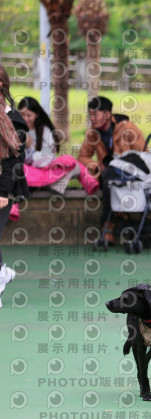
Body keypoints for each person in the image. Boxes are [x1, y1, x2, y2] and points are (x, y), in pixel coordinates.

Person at [77, 96, 145, 243]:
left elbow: (143, 156)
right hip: (107, 174)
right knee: (107, 176)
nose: (92, 118)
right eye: (90, 114)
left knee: (108, 177)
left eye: (95, 114)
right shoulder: (92, 133)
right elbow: (82, 157)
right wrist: (96, 165)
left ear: (107, 115)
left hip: (130, 172)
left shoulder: (128, 128)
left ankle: (108, 226)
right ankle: (118, 217)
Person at [17, 97, 98, 197]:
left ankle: (49, 184)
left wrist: (31, 146)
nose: (25, 118)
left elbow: (47, 156)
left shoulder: (45, 131)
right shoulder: (18, 130)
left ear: (37, 114)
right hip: (31, 169)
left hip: (46, 167)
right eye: (22, 115)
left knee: (70, 163)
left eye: (29, 115)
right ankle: (48, 184)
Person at [0, 65, 29, 307]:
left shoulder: (13, 120)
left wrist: (3, 192)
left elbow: (15, 161)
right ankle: (3, 272)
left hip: (3, 186)